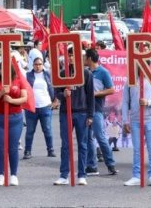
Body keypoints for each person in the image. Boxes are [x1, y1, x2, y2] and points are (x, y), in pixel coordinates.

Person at [53, 47, 94, 186]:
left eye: (73, 55)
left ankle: (82, 174)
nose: (71, 58)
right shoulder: (63, 73)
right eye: (69, 55)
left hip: (82, 112)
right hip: (66, 112)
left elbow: (90, 96)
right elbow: (57, 92)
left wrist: (90, 115)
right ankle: (64, 175)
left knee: (82, 144)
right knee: (65, 144)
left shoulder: (86, 74)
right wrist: (63, 95)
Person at [0, 64, 28, 186]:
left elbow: (24, 98)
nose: (3, 71)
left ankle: (14, 175)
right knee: (0, 147)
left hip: (15, 118)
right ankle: (0, 174)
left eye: (6, 68)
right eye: (1, 68)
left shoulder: (19, 81)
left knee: (13, 147)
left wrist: (11, 100)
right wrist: (1, 93)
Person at [121, 69, 151, 186]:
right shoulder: (130, 81)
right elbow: (125, 102)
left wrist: (148, 102)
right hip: (135, 120)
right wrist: (125, 121)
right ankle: (136, 176)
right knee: (137, 149)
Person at [84, 48, 118, 176]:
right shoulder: (85, 72)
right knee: (88, 138)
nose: (83, 59)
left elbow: (111, 89)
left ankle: (111, 165)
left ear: (89, 58)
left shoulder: (103, 72)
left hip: (96, 108)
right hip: (85, 109)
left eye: (85, 57)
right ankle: (92, 166)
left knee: (100, 137)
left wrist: (95, 93)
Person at [23, 57, 56, 159]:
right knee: (30, 131)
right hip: (31, 108)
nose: (38, 66)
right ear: (33, 65)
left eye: (40, 64)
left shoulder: (47, 75)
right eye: (36, 64)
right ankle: (27, 151)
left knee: (47, 130)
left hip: (45, 106)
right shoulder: (28, 75)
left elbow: (53, 88)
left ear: (43, 65)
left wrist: (55, 101)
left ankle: (50, 150)